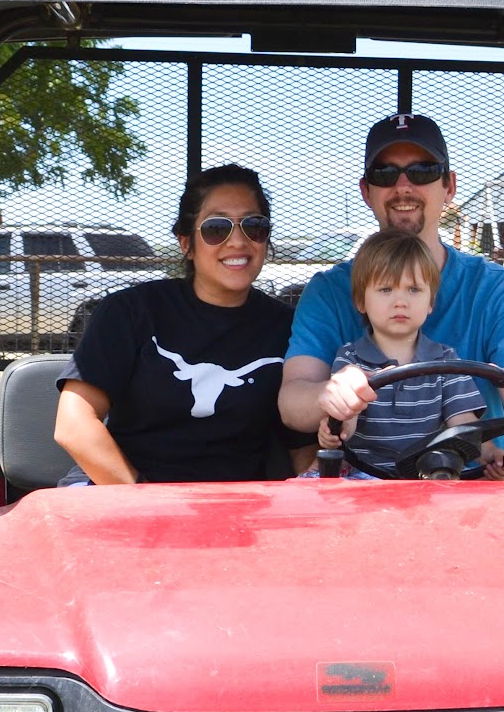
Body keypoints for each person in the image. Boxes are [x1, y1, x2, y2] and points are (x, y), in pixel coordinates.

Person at [278, 113, 504, 477]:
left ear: (449, 186)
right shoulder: (329, 293)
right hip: (364, 490)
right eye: (385, 173)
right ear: (366, 191)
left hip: (469, 487)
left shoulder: (496, 290)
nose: (403, 186)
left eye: (422, 171)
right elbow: (292, 404)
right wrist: (329, 397)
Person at [54, 164, 312, 483]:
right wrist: (145, 499)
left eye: (254, 226)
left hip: (235, 500)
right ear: (186, 242)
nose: (237, 241)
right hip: (120, 488)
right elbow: (74, 425)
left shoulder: (288, 327)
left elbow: (303, 449)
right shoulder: (130, 311)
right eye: (216, 228)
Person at [312, 229, 504, 479]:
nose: (400, 301)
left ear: (431, 303)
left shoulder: (445, 361)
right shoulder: (350, 360)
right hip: (364, 478)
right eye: (386, 289)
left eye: (413, 289)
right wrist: (336, 426)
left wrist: (489, 453)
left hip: (428, 477)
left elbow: (463, 424)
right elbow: (347, 425)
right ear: (361, 301)